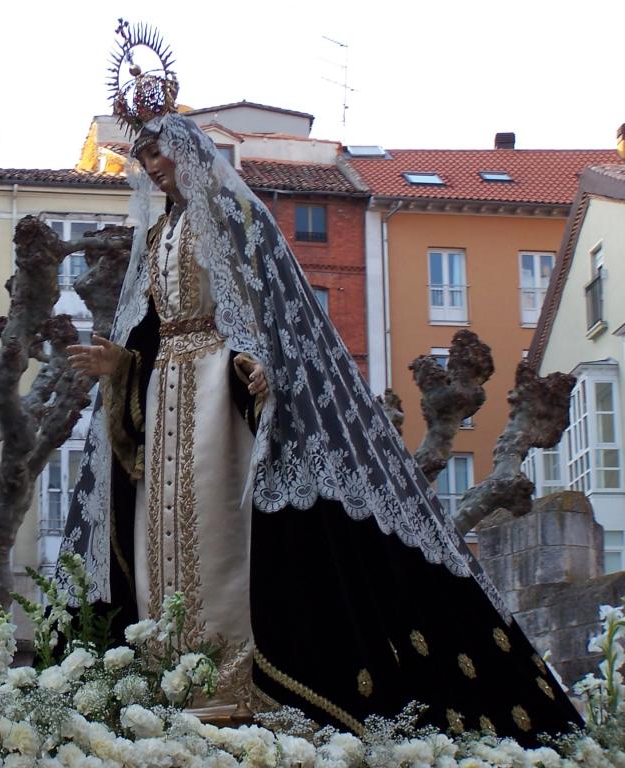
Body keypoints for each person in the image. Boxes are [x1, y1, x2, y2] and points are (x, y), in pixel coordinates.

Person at [59, 111, 581, 741]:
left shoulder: (238, 219)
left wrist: (261, 363)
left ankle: (234, 686)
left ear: (188, 151)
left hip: (218, 396)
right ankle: (165, 681)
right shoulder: (158, 233)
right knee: (157, 533)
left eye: (159, 152)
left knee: (220, 531)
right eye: (142, 157)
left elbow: (273, 312)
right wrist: (121, 365)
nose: (152, 167)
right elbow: (148, 329)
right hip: (162, 392)